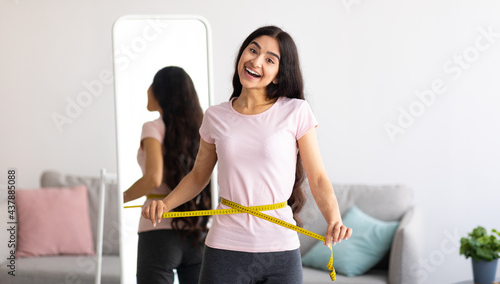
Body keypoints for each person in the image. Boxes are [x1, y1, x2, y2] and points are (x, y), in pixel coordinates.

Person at [142, 26, 352, 284]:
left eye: (269, 59)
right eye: (252, 50)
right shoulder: (215, 116)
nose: (256, 60)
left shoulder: (296, 111)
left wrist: (334, 219)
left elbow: (317, 177)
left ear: (278, 75)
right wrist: (166, 203)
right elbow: (198, 176)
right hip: (225, 248)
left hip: (279, 250)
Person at [123, 66, 211, 284]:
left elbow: (153, 178)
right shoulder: (202, 128)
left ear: (162, 91)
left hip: (158, 231)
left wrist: (121, 197)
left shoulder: (153, 127)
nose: (148, 89)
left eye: (152, 84)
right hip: (197, 231)